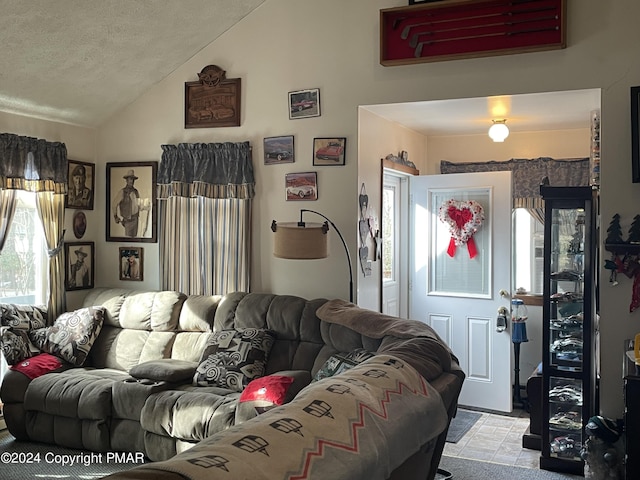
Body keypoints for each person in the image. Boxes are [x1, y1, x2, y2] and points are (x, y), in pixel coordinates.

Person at [112, 170, 140, 237]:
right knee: (128, 238)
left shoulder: (136, 191)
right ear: (127, 180)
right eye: (130, 179)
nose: (132, 181)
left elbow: (138, 204)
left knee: (135, 239)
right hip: (128, 221)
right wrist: (115, 216)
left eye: (133, 179)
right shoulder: (122, 192)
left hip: (135, 219)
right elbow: (114, 204)